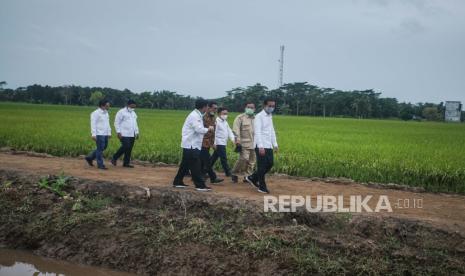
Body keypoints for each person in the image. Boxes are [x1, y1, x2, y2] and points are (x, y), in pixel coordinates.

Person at [172, 99, 214, 191]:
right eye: (207, 106)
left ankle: (177, 181)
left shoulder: (197, 115)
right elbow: (198, 129)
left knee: (185, 164)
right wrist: (209, 129)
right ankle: (200, 185)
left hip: (190, 144)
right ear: (203, 107)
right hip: (191, 144)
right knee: (196, 165)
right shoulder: (195, 116)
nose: (208, 108)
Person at [245, 99, 278, 193]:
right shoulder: (259, 117)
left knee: (270, 163)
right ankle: (262, 187)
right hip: (261, 145)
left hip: (268, 145)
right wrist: (260, 146)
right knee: (262, 166)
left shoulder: (270, 116)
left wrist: (275, 144)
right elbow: (257, 132)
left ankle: (252, 177)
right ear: (264, 105)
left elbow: (271, 131)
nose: (271, 108)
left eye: (273, 106)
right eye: (270, 106)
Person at [231, 102, 256, 183]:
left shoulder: (256, 118)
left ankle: (247, 176)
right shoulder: (240, 118)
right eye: (248, 107)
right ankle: (234, 172)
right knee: (244, 158)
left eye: (252, 107)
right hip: (244, 142)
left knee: (252, 161)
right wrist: (237, 140)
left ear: (254, 109)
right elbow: (236, 129)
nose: (250, 109)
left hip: (254, 143)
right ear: (245, 108)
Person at [200, 101, 224, 184]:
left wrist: (213, 143)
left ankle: (200, 175)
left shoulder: (213, 118)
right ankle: (212, 177)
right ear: (209, 108)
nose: (215, 110)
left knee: (203, 161)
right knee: (206, 160)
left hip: (208, 142)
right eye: (214, 108)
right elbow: (199, 130)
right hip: (201, 142)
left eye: (216, 109)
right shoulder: (202, 117)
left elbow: (213, 132)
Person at [111, 99, 139, 168]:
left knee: (129, 149)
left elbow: (135, 123)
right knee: (126, 146)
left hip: (132, 134)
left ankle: (126, 163)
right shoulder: (121, 112)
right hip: (123, 133)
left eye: (134, 107)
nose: (133, 108)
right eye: (132, 106)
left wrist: (137, 132)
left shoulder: (133, 113)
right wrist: (118, 132)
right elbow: (116, 122)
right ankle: (114, 157)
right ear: (128, 105)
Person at [85, 99, 112, 170]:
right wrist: (93, 134)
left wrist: (109, 132)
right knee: (100, 149)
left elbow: (108, 124)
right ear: (102, 105)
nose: (109, 106)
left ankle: (89, 157)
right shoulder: (95, 113)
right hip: (99, 134)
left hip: (105, 133)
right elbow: (93, 124)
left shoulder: (106, 113)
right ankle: (100, 165)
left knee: (104, 147)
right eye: (107, 105)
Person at [210, 107, 235, 178]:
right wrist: (213, 143)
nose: (225, 115)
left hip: (223, 142)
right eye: (224, 113)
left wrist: (233, 139)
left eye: (226, 114)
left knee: (214, 158)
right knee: (223, 158)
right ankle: (228, 173)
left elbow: (229, 131)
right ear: (219, 114)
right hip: (218, 143)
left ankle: (205, 169)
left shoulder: (225, 122)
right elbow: (213, 133)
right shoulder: (216, 122)